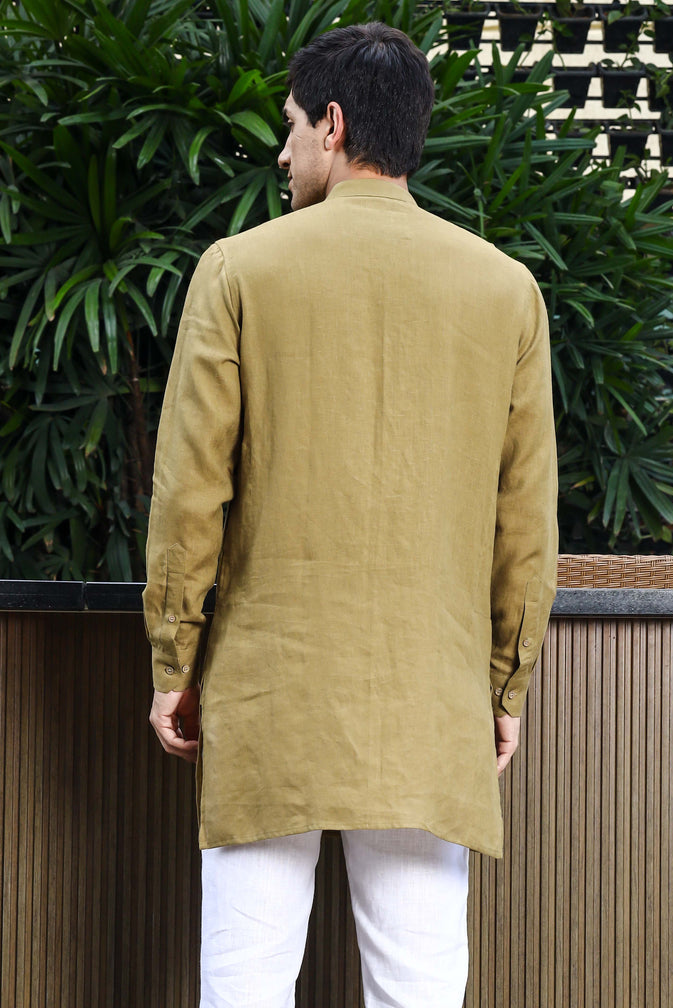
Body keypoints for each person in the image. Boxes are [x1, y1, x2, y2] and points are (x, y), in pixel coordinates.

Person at [144, 20, 557, 1008]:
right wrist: (504, 686)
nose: (282, 152)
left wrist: (174, 662)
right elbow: (526, 519)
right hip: (429, 699)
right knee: (418, 989)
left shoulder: (239, 270)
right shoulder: (507, 290)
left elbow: (190, 492)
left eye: (290, 128)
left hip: (268, 692)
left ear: (333, 125)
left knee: (242, 986)